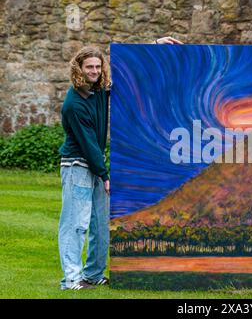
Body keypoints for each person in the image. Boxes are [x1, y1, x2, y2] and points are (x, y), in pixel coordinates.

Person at [58, 37, 182, 290]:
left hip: (94, 165)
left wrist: (153, 44)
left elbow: (131, 75)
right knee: (76, 223)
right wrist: (104, 175)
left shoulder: (100, 92)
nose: (94, 71)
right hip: (77, 166)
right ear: (78, 69)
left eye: (97, 67)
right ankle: (71, 278)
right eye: (89, 67)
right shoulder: (74, 104)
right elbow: (88, 144)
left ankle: (93, 274)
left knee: (101, 225)